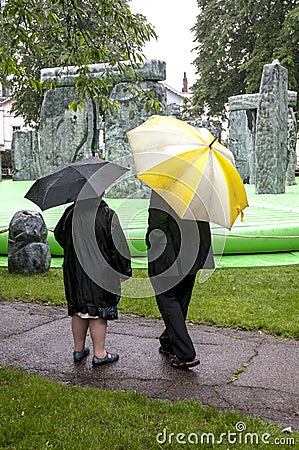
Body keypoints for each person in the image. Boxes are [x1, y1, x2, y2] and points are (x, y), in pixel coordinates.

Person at [54, 197, 132, 367]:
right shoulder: (107, 215)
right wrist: (124, 270)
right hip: (101, 273)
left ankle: (78, 350)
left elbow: (59, 235)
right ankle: (100, 353)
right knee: (98, 311)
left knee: (78, 309)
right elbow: (118, 247)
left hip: (74, 271)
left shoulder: (70, 213)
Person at [146, 191, 214, 369]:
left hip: (168, 253)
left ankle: (185, 353)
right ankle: (169, 341)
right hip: (194, 249)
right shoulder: (200, 186)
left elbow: (157, 224)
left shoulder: (163, 186)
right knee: (181, 297)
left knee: (167, 298)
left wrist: (151, 245)